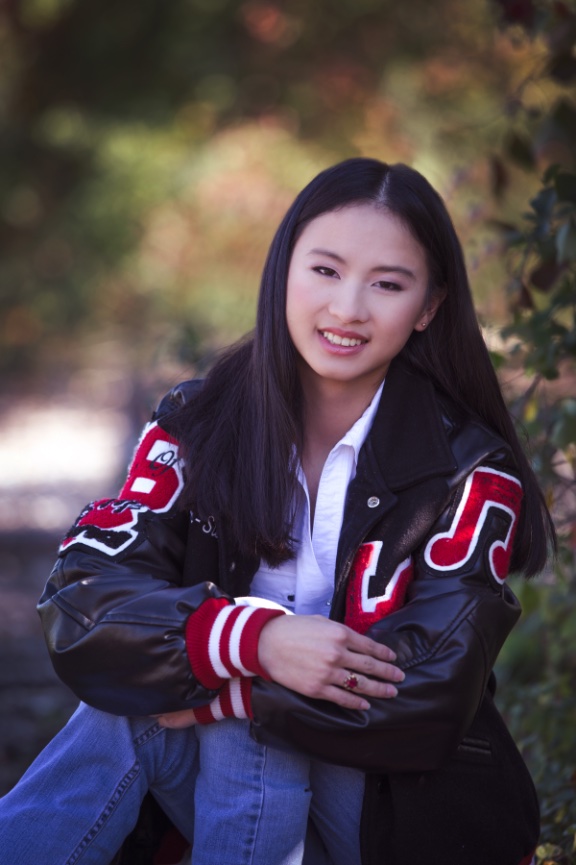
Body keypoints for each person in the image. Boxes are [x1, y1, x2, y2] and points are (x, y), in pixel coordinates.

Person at [0, 158, 555, 865]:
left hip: (395, 820)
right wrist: (255, 640)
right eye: (325, 270)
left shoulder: (469, 469)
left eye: (387, 284)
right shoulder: (198, 423)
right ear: (282, 270)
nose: (347, 308)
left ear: (428, 306)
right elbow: (84, 600)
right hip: (236, 795)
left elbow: (431, 695)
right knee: (157, 700)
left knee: (236, 704)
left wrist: (245, 682)